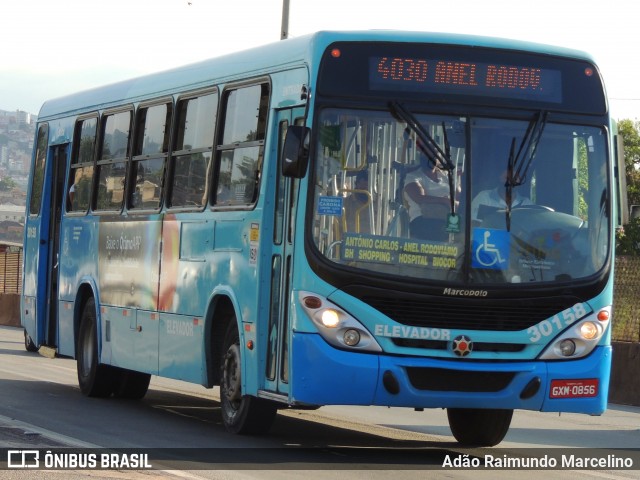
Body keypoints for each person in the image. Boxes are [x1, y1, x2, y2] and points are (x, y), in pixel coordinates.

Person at [403, 153, 452, 239]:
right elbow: (420, 198)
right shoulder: (413, 176)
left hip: (449, 218)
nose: (429, 159)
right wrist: (445, 201)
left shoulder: (446, 177)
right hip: (423, 219)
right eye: (425, 155)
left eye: (433, 156)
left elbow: (459, 196)